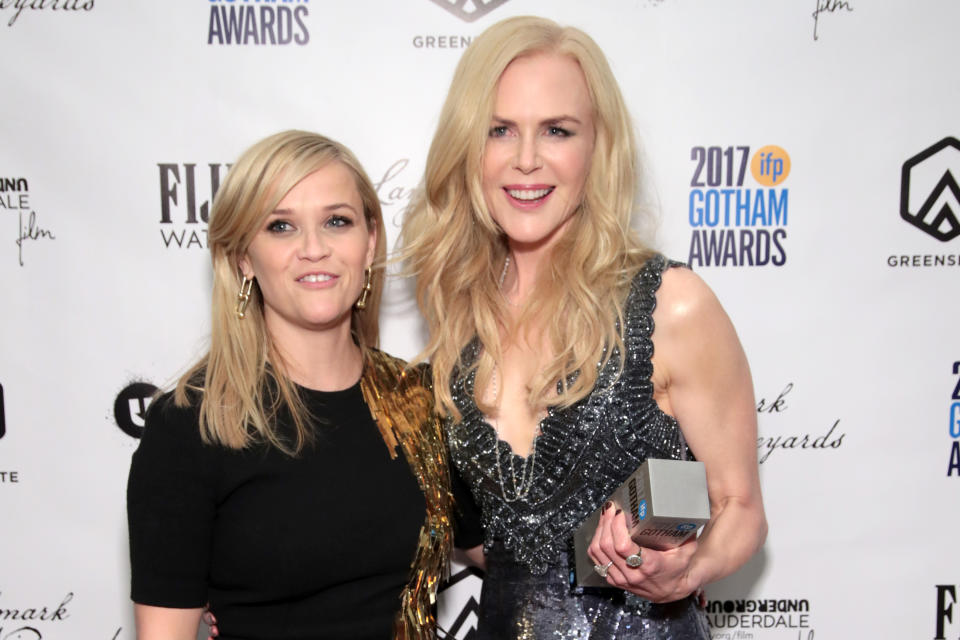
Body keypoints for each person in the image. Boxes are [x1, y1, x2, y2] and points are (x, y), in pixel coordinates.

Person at [401, 16, 767, 639]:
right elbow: (496, 541)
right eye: (500, 130)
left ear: (597, 147)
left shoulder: (669, 304)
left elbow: (742, 509)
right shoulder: (459, 320)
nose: (525, 160)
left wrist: (686, 570)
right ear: (469, 146)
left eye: (557, 131)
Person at [127, 130, 476, 640]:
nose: (314, 249)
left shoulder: (419, 400)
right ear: (244, 258)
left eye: (337, 221)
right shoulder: (192, 423)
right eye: (281, 226)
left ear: (370, 241)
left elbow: (515, 551)